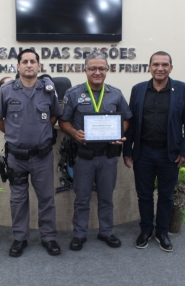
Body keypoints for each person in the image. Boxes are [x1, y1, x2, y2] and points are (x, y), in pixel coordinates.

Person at [0, 49, 63, 257]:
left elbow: (55, 116)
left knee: (47, 198)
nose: (29, 65)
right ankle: (20, 238)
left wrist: (42, 134)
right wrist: (14, 134)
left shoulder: (49, 90)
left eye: (33, 61)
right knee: (18, 199)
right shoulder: (6, 90)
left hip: (42, 156)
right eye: (25, 61)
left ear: (39, 66)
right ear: (18, 66)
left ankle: (49, 237)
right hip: (16, 158)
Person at [123, 51, 185, 252]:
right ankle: (146, 230)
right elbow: (132, 122)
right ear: (149, 67)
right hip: (143, 153)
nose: (160, 68)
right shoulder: (138, 90)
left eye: (165, 64)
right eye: (156, 64)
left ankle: (162, 232)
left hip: (169, 154)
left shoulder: (182, 89)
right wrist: (127, 149)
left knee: (166, 195)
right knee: (144, 195)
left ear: (171, 67)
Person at [59, 51, 132, 251]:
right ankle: (79, 234)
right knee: (81, 198)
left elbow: (127, 119)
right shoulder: (73, 94)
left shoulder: (116, 94)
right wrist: (75, 133)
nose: (97, 72)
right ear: (85, 70)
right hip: (84, 158)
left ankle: (106, 232)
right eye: (93, 68)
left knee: (107, 198)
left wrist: (119, 132)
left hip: (108, 157)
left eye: (101, 68)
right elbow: (62, 121)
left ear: (107, 70)